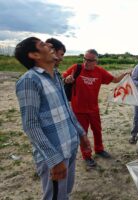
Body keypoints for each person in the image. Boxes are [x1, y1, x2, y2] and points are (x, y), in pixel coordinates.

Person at [14, 37, 90, 199]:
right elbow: (31, 125)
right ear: (34, 55)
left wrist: (81, 134)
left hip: (69, 146)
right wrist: (54, 160)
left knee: (64, 193)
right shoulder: (29, 81)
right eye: (42, 44)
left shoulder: (55, 76)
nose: (49, 45)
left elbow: (66, 109)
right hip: (55, 154)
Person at [63, 49, 127, 167]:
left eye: (90, 60)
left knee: (97, 130)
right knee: (83, 134)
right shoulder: (76, 68)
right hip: (78, 109)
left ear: (96, 61)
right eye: (84, 59)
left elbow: (115, 80)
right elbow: (64, 77)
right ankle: (87, 156)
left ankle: (99, 149)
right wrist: (67, 79)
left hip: (93, 108)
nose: (86, 62)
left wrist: (126, 75)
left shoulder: (100, 72)